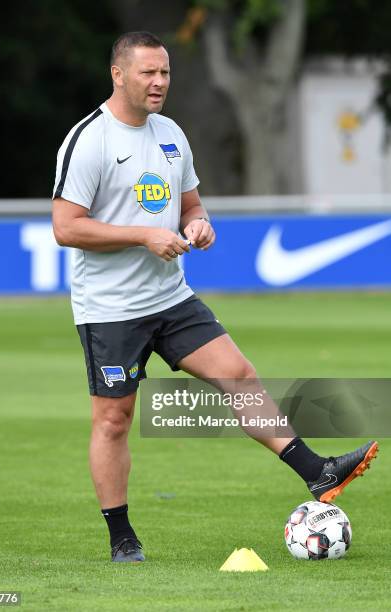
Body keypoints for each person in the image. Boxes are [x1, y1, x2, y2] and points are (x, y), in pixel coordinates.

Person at [52, 31, 378, 563]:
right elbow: (66, 228)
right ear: (118, 74)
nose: (159, 83)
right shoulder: (90, 140)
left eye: (165, 73)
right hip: (111, 310)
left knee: (239, 374)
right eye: (147, 73)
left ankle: (315, 471)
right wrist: (143, 234)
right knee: (114, 421)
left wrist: (199, 225)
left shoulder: (171, 135)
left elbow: (191, 206)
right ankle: (122, 538)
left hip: (170, 296)